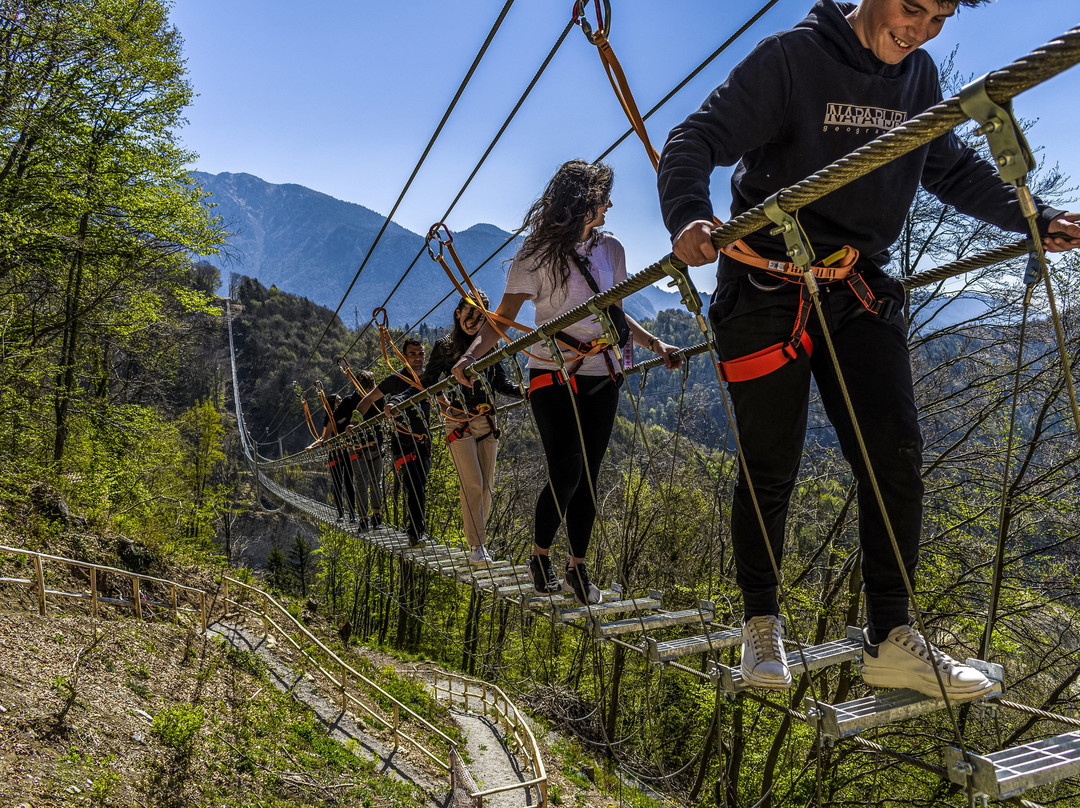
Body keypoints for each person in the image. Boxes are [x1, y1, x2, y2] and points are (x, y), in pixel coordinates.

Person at [657, 0, 1080, 694]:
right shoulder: (791, 60)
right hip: (764, 290)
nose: (919, 29)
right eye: (911, 7)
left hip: (856, 287)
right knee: (771, 464)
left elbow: (948, 165)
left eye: (939, 17)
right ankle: (760, 624)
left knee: (896, 456)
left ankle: (890, 636)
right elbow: (693, 140)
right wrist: (689, 217)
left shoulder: (918, 80)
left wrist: (1032, 216)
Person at [452, 159, 682, 606]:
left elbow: (614, 310)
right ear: (582, 204)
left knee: (589, 476)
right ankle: (540, 555)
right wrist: (469, 356)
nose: (610, 204)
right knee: (567, 468)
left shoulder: (611, 250)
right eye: (602, 198)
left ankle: (578, 567)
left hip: (603, 373)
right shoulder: (534, 255)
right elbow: (502, 319)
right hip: (550, 372)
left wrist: (656, 344)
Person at [421, 291, 523, 567]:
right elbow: (428, 381)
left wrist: (526, 391)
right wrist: (442, 404)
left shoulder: (486, 346)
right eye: (469, 314)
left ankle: (478, 544)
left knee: (487, 487)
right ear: (458, 313)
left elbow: (500, 382)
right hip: (458, 422)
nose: (474, 320)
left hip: (487, 420)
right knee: (474, 483)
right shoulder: (444, 346)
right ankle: (477, 546)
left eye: (481, 317)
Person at [359, 339, 431, 546]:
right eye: (413, 354)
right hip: (402, 443)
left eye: (421, 353)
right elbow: (367, 400)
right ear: (404, 356)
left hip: (424, 442)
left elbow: (442, 401)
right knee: (414, 485)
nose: (418, 357)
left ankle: (416, 531)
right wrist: (355, 422)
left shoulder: (428, 378)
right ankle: (416, 534)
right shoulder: (395, 379)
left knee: (421, 486)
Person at [346, 369, 385, 531]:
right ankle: (363, 520)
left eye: (370, 387)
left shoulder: (379, 398)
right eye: (365, 387)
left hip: (375, 445)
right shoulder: (350, 401)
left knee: (376, 482)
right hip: (357, 447)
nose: (368, 391)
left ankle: (376, 516)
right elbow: (336, 420)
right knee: (362, 483)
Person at [316, 392, 360, 523]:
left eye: (341, 400)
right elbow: (323, 437)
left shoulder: (347, 413)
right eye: (337, 401)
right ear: (332, 403)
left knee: (349, 482)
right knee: (337, 483)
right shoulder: (329, 418)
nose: (340, 403)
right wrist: (314, 445)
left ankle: (352, 513)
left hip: (346, 450)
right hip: (335, 452)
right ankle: (341, 513)